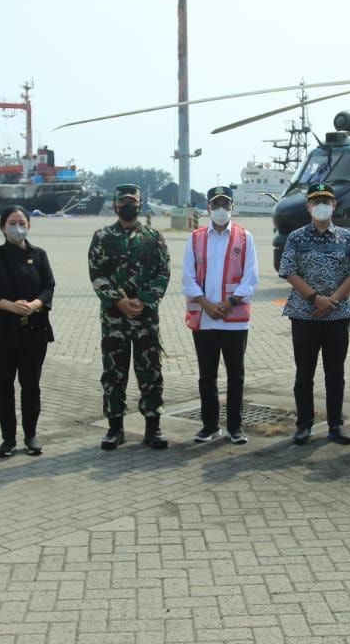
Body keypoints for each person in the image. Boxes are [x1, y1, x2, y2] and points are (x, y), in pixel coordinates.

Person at [279, 182, 350, 445]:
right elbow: (288, 271)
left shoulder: (346, 237)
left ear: (334, 205)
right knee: (304, 372)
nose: (321, 206)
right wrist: (315, 298)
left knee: (335, 372)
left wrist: (332, 301)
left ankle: (335, 425)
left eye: (326, 201)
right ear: (308, 206)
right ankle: (304, 424)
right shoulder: (296, 237)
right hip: (304, 315)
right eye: (316, 202)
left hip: (337, 316)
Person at [89, 184, 171, 450]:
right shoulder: (102, 237)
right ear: (115, 205)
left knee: (150, 372)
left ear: (140, 204)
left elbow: (163, 273)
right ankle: (115, 428)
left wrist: (143, 300)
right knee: (114, 373)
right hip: (115, 320)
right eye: (124, 201)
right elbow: (96, 274)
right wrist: (119, 301)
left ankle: (153, 428)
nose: (129, 205)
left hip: (145, 319)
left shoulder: (153, 237)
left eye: (133, 201)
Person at [182, 185, 259, 445]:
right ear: (208, 208)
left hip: (234, 320)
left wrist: (228, 303)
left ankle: (235, 428)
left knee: (236, 375)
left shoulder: (245, 237)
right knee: (207, 375)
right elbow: (188, 277)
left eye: (226, 204)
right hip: (205, 319)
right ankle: (209, 426)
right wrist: (206, 304)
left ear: (232, 207)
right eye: (216, 205)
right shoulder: (195, 238)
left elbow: (251, 277)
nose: (221, 209)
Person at [0, 205, 55, 457]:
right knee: (4, 386)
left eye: (22, 222)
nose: (17, 227)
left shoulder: (39, 255)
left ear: (29, 225)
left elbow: (48, 286)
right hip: (1, 332)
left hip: (34, 330)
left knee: (31, 385)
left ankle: (30, 435)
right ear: (2, 227)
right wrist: (9, 306)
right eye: (12, 223)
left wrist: (34, 304)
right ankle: (8, 438)